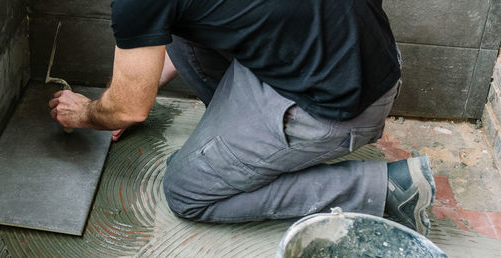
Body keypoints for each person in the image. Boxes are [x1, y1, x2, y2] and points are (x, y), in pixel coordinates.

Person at [48, 0, 436, 235]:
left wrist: (90, 112)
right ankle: (239, 144)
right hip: (356, 58)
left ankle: (388, 189)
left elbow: (129, 107)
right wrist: (134, 95)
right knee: (180, 26)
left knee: (186, 191)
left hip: (337, 104)